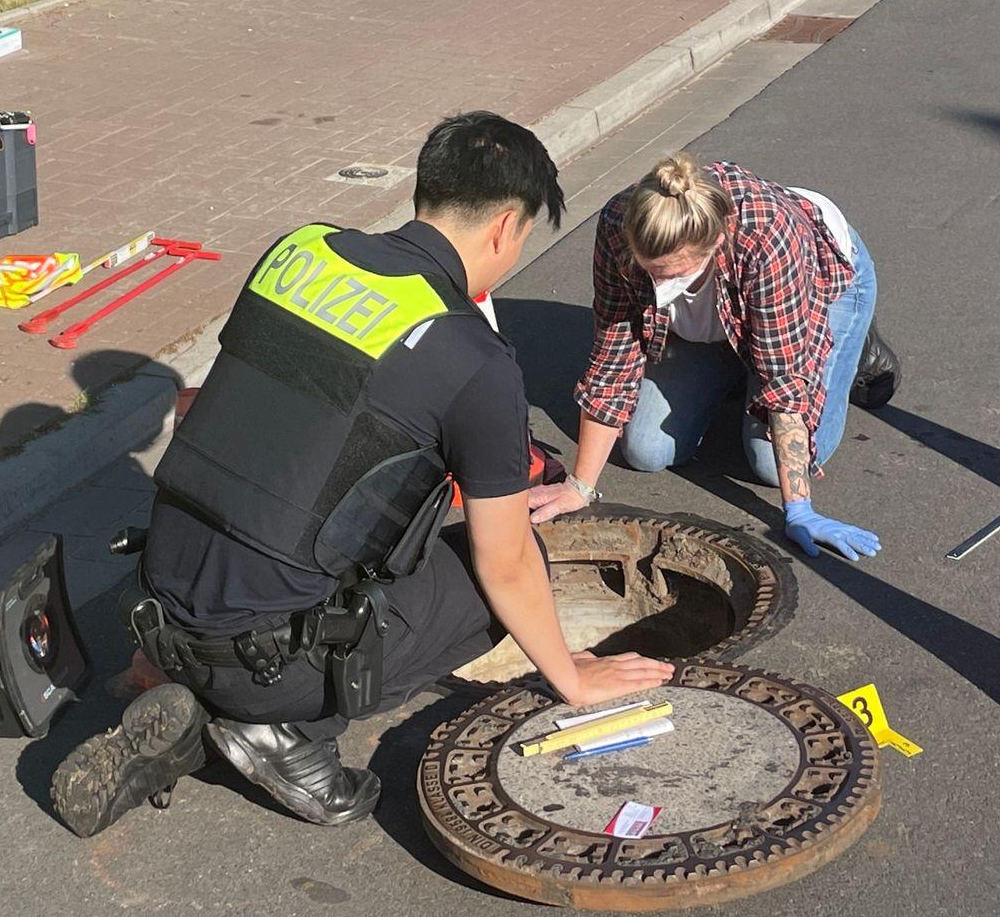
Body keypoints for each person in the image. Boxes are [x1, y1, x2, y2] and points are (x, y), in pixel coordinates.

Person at [50, 112, 673, 838]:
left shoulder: (299, 252)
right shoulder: (473, 356)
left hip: (156, 605)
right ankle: (281, 729)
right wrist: (571, 675)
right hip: (266, 662)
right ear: (507, 226)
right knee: (507, 564)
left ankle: (179, 681)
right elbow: (503, 562)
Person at [529, 156, 898, 562]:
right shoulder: (620, 222)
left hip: (816, 279)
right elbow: (614, 354)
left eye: (674, 274)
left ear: (716, 243)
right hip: (717, 308)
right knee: (647, 451)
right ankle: (741, 353)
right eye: (651, 272)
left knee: (769, 467)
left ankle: (846, 341)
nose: (659, 286)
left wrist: (799, 510)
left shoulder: (769, 235)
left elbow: (786, 382)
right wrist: (579, 486)